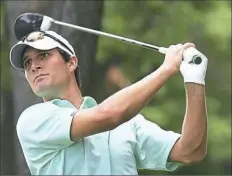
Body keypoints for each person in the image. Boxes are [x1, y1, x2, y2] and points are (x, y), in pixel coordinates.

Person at [10, 30, 208, 175]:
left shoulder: (129, 125)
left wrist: (194, 80)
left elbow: (190, 151)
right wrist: (167, 69)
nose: (34, 66)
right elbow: (110, 115)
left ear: (71, 62)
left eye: (43, 55)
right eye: (27, 63)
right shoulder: (33, 120)